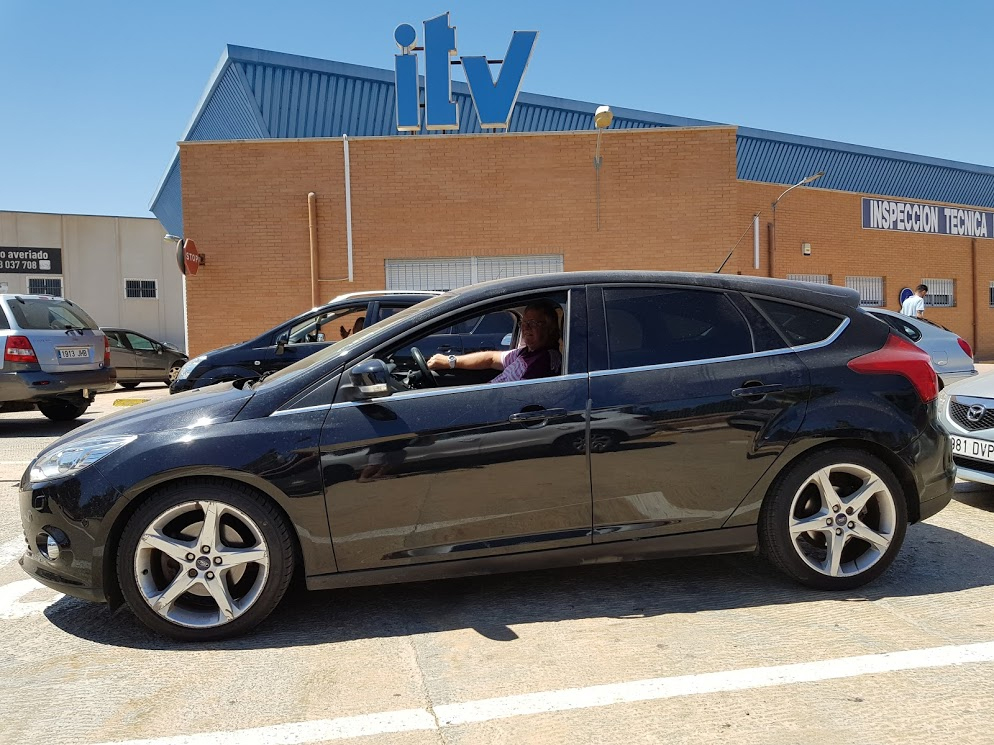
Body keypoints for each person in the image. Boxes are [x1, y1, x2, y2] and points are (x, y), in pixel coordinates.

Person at [427, 299, 561, 382]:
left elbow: (519, 396)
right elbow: (490, 358)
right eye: (524, 323)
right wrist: (450, 361)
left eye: (532, 323)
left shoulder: (545, 360)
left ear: (550, 328)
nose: (525, 328)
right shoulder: (525, 353)